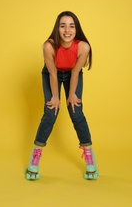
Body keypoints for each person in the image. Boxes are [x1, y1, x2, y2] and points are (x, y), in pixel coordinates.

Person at [25, 11, 98, 180]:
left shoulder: (83, 47)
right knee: (51, 113)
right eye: (62, 25)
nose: (67, 30)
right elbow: (52, 74)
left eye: (71, 26)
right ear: (57, 28)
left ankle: (88, 154)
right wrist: (55, 97)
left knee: (76, 112)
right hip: (52, 75)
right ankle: (36, 155)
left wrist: (71, 94)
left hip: (73, 75)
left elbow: (75, 72)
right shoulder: (49, 46)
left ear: (76, 29)